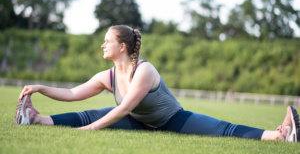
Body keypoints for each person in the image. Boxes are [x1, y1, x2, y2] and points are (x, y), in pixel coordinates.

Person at [14, 25, 299, 142]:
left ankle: (281, 135)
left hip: (172, 119)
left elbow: (124, 108)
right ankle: (35, 120)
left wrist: (88, 130)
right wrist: (40, 88)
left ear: (123, 46)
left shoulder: (145, 70)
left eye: (107, 41)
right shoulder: (107, 76)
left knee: (221, 128)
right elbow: (73, 93)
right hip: (140, 122)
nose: (102, 45)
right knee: (92, 112)